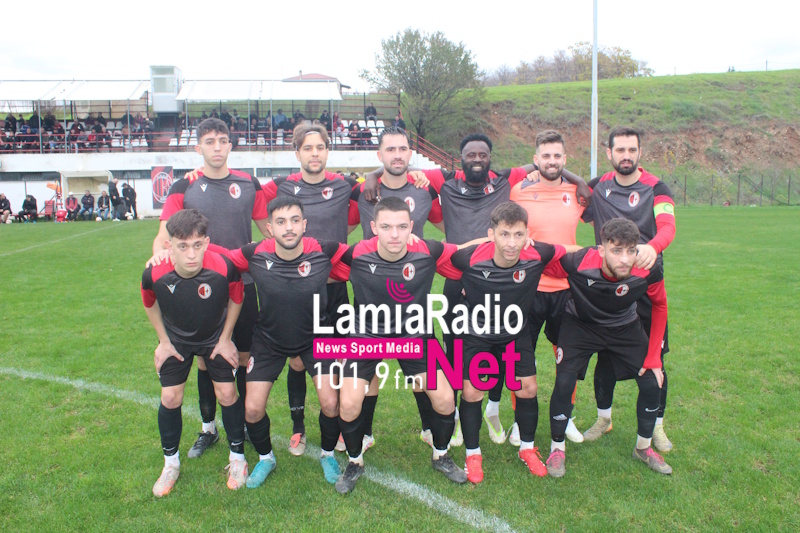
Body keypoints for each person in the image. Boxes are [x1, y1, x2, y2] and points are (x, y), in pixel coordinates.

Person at [364, 133, 590, 446]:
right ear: (461, 158)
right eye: (471, 154)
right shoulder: (443, 179)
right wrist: (372, 176)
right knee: (456, 352)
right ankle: (456, 416)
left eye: (482, 154)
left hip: (496, 277)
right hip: (458, 273)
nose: (477, 159)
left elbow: (545, 165)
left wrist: (577, 179)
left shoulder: (504, 179)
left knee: (498, 345)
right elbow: (398, 166)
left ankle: (494, 411)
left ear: (490, 157)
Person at [205, 196, 349, 488]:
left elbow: (367, 253)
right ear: (269, 228)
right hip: (269, 340)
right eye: (281, 222)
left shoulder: (323, 250)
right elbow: (221, 256)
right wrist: (177, 249)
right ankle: (266, 458)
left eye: (295, 221)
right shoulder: (255, 253)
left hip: (316, 337)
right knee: (252, 409)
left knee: (330, 403)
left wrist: (407, 240)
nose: (289, 228)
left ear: (304, 225)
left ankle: (327, 454)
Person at [333, 197, 468, 494]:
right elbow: (314, 257)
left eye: (401, 227)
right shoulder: (356, 254)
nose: (394, 234)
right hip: (367, 337)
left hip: (414, 336)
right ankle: (355, 462)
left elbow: (469, 250)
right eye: (386, 227)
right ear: (373, 227)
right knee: (349, 403)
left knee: (445, 399)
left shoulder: (428, 251)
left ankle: (441, 455)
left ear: (412, 227)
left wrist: (510, 241)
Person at [154, 117, 270, 459]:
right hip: (198, 288)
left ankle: (246, 423)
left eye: (222, 140)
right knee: (206, 360)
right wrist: (158, 261)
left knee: (242, 357)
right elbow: (163, 237)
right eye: (209, 141)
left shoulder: (249, 183)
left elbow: (269, 230)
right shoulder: (183, 186)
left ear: (231, 145)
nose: (217, 147)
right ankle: (208, 428)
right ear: (198, 147)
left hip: (242, 284)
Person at [446, 202, 567, 482]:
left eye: (518, 235)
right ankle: (473, 454)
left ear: (527, 235)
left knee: (528, 388)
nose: (512, 243)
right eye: (504, 234)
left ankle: (527, 448)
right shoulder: (468, 258)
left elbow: (573, 253)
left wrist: (605, 251)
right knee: (473, 392)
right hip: (477, 334)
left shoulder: (537, 254)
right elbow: (439, 254)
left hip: (515, 333)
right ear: (491, 235)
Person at [260, 123, 360, 456]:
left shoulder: (344, 184)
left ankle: (340, 427)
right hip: (297, 290)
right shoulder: (282, 186)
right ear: (297, 153)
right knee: (298, 361)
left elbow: (373, 189)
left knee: (339, 358)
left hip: (335, 288)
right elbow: (254, 199)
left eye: (320, 147)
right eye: (307, 148)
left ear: (328, 151)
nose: (314, 153)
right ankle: (298, 428)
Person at [543, 218, 670, 477]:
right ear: (601, 250)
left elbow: (660, 305)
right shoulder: (579, 261)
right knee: (564, 382)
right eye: (616, 250)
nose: (624, 259)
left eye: (631, 250)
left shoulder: (647, 268)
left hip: (624, 326)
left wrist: (654, 358)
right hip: (580, 325)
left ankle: (643, 448)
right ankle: (557, 449)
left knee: (651, 381)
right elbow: (544, 264)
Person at [580, 127, 676, 453]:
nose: (626, 156)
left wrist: (653, 247)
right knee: (605, 354)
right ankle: (603, 419)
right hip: (607, 285)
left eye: (632, 149)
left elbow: (668, 226)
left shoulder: (656, 187)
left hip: (645, 284)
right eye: (620, 150)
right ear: (609, 153)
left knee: (655, 358)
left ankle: (657, 426)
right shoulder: (599, 186)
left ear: (640, 152)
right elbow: (573, 210)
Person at [142, 209, 247, 496]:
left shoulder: (223, 266)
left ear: (207, 243)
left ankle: (238, 458)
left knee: (227, 393)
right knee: (170, 397)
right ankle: (170, 464)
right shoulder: (154, 272)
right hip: (176, 340)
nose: (191, 254)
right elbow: (149, 302)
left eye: (197, 245)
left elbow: (237, 298)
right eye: (183, 246)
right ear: (169, 246)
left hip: (214, 337)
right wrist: (163, 341)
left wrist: (225, 338)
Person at [508, 130, 585, 445]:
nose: (551, 161)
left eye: (557, 156)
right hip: (526, 287)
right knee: (518, 356)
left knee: (568, 358)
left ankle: (566, 417)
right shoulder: (518, 191)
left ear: (565, 159)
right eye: (545, 156)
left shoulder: (579, 193)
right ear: (535, 159)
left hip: (566, 287)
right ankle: (519, 420)